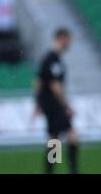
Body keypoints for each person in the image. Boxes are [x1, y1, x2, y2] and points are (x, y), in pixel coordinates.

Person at [33, 28, 79, 174]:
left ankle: (51, 171)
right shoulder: (53, 59)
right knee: (70, 136)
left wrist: (38, 103)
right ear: (62, 39)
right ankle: (72, 170)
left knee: (56, 140)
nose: (69, 43)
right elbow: (55, 86)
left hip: (50, 104)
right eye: (68, 39)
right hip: (54, 105)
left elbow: (37, 81)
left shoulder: (50, 58)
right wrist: (66, 105)